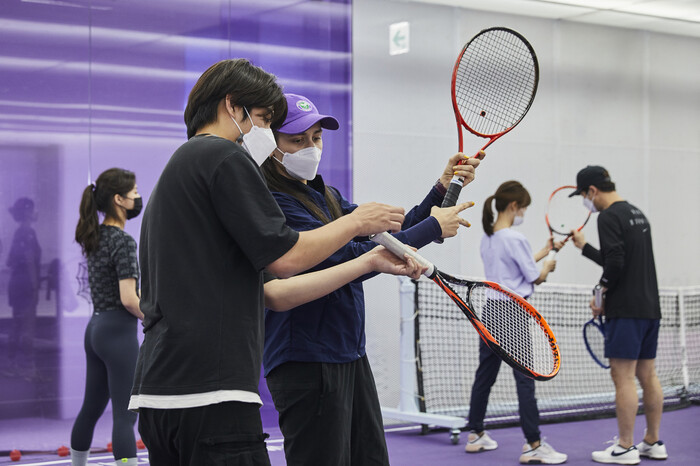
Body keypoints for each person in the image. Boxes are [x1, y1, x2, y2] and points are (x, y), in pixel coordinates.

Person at [128, 59, 416, 466]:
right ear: (233, 106)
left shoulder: (183, 167)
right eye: (263, 119)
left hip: (163, 391)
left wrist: (369, 259)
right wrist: (355, 224)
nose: (263, 132)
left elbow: (274, 292)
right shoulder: (224, 157)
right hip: (212, 391)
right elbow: (286, 258)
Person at [259, 93, 479, 466]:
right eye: (298, 140)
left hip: (349, 353)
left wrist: (441, 189)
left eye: (316, 138)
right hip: (306, 359)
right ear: (271, 145)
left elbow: (386, 238)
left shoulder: (324, 194)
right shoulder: (274, 203)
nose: (311, 148)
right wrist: (432, 228)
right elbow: (349, 257)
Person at [464, 180, 567, 465]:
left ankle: (475, 434)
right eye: (522, 208)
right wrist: (546, 267)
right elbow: (534, 276)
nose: (523, 213)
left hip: (490, 313)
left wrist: (543, 253)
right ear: (514, 206)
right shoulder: (515, 238)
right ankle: (534, 444)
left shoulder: (489, 237)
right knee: (525, 377)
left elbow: (514, 269)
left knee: (485, 374)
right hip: (514, 313)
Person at [568, 166, 666, 464]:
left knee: (622, 376)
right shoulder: (637, 213)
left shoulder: (608, 216)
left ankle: (625, 447)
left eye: (584, 195)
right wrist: (585, 248)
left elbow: (616, 264)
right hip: (650, 308)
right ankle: (652, 441)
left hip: (626, 310)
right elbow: (617, 258)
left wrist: (600, 294)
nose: (586, 201)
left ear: (592, 191)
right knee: (647, 375)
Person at [71, 168, 144, 466]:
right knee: (125, 416)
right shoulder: (123, 241)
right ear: (119, 199)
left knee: (90, 408)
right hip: (118, 332)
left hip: (96, 329)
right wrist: (155, 316)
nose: (139, 197)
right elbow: (129, 299)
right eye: (135, 192)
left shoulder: (95, 236)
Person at [5, 198, 41, 379]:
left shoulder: (19, 233)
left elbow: (10, 261)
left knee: (17, 325)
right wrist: (35, 286)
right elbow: (29, 261)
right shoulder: (28, 233)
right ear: (27, 212)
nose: (36, 212)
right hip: (26, 286)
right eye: (33, 209)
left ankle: (12, 364)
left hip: (16, 285)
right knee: (27, 327)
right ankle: (27, 368)